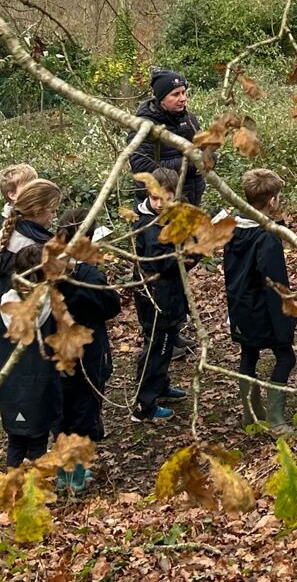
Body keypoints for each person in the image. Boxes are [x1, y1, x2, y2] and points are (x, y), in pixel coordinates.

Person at [52, 209, 122, 492]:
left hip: (57, 351)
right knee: (83, 410)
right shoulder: (87, 274)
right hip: (87, 352)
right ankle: (75, 475)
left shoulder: (48, 268)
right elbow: (110, 306)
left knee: (62, 411)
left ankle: (63, 473)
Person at [224, 169, 297, 432]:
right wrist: (286, 319)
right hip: (264, 311)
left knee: (249, 354)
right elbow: (274, 283)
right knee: (286, 358)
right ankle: (277, 420)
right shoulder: (267, 238)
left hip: (240, 308)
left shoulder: (233, 229)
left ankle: (251, 414)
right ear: (272, 201)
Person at [130, 167, 193, 422]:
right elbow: (162, 262)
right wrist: (191, 256)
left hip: (169, 293)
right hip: (155, 297)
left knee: (165, 345)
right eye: (155, 198)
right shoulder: (148, 225)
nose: (158, 204)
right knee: (157, 347)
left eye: (165, 199)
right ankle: (144, 404)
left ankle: (161, 386)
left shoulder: (168, 218)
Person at [0, 245, 61, 467]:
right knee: (37, 443)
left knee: (16, 441)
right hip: (40, 385)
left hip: (10, 385)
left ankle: (11, 487)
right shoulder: (51, 307)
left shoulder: (3, 304)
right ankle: (34, 494)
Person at [128, 70, 205, 206]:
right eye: (175, 94)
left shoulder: (189, 119)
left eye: (183, 92)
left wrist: (209, 157)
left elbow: (202, 149)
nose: (182, 98)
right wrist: (189, 165)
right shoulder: (144, 126)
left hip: (190, 201)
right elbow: (141, 167)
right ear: (161, 98)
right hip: (159, 205)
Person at [0, 179, 61, 310]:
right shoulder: (32, 246)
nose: (54, 216)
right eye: (52, 211)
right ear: (38, 210)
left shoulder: (8, 229)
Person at [0, 164, 39, 264]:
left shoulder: (31, 217)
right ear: (13, 195)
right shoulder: (9, 225)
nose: (36, 191)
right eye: (29, 188)